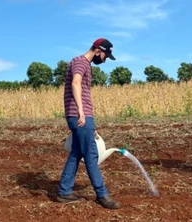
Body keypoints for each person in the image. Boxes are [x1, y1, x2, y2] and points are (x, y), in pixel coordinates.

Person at [57, 38, 120, 209]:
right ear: (98, 50)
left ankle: (64, 191)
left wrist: (89, 117)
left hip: (82, 116)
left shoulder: (85, 64)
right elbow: (75, 83)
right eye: (105, 55)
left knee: (76, 153)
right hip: (79, 115)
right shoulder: (80, 62)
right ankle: (102, 194)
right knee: (91, 155)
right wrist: (81, 111)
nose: (105, 59)